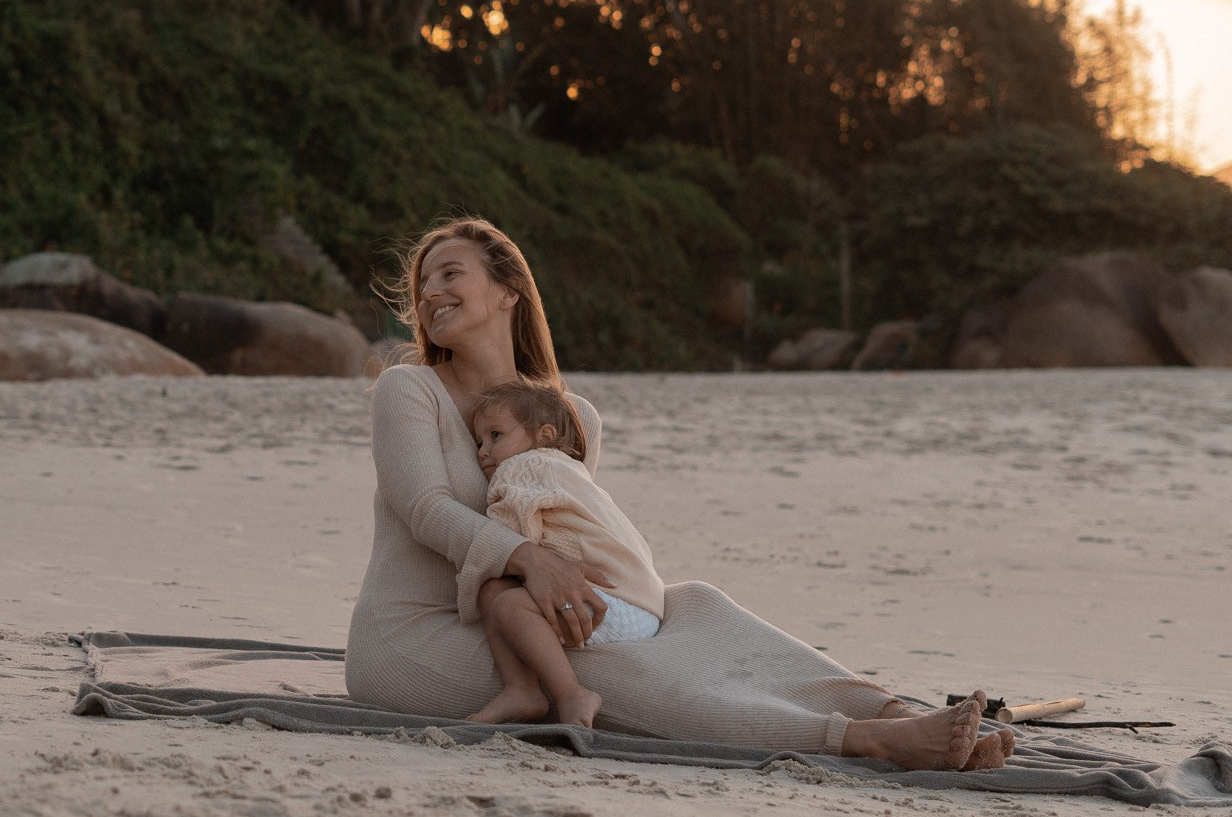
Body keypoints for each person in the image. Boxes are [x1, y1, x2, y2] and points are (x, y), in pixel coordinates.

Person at [343, 217, 1013, 771]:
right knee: (612, 668)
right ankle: (865, 741)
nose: (430, 294)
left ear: (508, 290)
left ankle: (892, 712)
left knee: (696, 607)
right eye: (423, 284)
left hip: (525, 615)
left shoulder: (574, 419)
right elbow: (426, 510)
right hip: (413, 636)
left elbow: (578, 532)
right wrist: (530, 560)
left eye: (450, 274)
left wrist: (604, 591)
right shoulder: (411, 390)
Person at [466, 378, 663, 727]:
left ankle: (572, 694)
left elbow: (509, 540)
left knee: (508, 604)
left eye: (496, 435)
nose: (483, 451)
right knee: (493, 590)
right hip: (641, 600)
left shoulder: (521, 468)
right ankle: (522, 691)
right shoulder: (568, 469)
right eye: (479, 441)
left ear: (543, 435)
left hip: (613, 603)